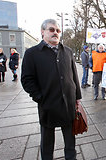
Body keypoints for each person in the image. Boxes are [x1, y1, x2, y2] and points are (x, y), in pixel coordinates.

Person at [21, 19, 83, 160]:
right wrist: (40, 98)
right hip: (47, 105)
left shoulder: (67, 51)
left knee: (70, 141)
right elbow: (26, 79)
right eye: (51, 29)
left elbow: (74, 76)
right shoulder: (32, 53)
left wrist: (77, 97)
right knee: (47, 142)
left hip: (68, 104)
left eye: (58, 30)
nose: (55, 33)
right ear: (42, 32)